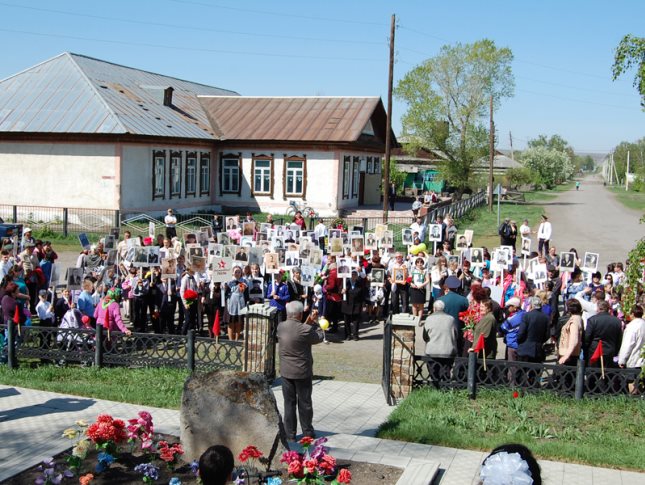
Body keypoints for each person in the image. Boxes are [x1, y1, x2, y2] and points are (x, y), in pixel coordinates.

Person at [277, 301, 324, 441]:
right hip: (302, 372)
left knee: (289, 403)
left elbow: (298, 331)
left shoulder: (281, 327)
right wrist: (315, 322)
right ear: (300, 314)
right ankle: (307, 432)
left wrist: (307, 322)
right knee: (305, 403)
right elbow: (318, 337)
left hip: (286, 372)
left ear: (288, 313)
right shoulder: (305, 329)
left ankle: (290, 434)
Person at [421, 300, 458, 387]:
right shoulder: (451, 319)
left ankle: (435, 388)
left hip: (432, 351)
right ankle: (445, 389)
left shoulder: (429, 319)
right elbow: (456, 334)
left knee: (434, 373)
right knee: (446, 373)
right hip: (448, 351)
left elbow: (425, 337)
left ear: (434, 308)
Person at [584, 300, 622, 368]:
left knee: (593, 373)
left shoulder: (592, 320)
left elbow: (587, 337)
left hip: (594, 350)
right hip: (609, 351)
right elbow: (619, 339)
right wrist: (615, 351)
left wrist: (585, 349)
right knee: (607, 373)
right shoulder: (617, 321)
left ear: (598, 308)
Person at [516, 296, 550, 363]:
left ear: (531, 305)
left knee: (521, 371)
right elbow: (547, 335)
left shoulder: (526, 316)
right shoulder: (546, 317)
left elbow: (521, 333)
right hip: (538, 349)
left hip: (525, 349)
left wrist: (519, 341)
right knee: (535, 372)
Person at [557, 299, 583, 366]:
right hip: (570, 354)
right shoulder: (578, 318)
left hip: (568, 355)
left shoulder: (574, 321)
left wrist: (566, 356)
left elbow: (574, 340)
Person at [341, 270, 364, 340]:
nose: (353, 276)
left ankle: (355, 335)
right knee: (346, 321)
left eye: (355, 275)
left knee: (356, 321)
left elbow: (362, 293)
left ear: (357, 276)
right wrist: (342, 291)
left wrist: (363, 304)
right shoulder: (346, 282)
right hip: (347, 304)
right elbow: (339, 290)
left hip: (357, 304)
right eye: (352, 275)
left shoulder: (359, 283)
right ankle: (348, 335)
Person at [500, 297, 524, 361]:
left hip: (513, 344)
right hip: (521, 344)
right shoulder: (524, 314)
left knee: (512, 367)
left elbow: (502, 328)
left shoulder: (512, 319)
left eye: (509, 307)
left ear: (515, 307)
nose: (507, 309)